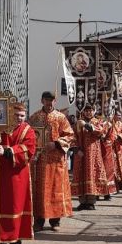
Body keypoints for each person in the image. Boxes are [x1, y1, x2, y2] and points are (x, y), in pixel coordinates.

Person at [0, 102, 36, 244]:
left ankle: (15, 241)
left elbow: (29, 149)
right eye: (16, 115)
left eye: (22, 115)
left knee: (16, 206)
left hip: (17, 175)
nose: (19, 118)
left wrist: (7, 151)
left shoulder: (28, 130)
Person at [28, 92, 74, 231]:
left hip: (55, 160)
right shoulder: (34, 117)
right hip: (39, 160)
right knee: (39, 190)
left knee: (55, 189)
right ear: (42, 100)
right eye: (46, 100)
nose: (49, 103)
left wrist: (56, 143)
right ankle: (39, 221)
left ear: (55, 101)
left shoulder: (61, 117)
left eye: (51, 100)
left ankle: (55, 221)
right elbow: (29, 135)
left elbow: (70, 135)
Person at [72, 104, 108, 210]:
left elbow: (100, 131)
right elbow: (72, 136)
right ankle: (82, 201)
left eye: (90, 110)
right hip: (81, 154)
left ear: (94, 111)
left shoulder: (98, 121)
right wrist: (76, 149)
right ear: (83, 112)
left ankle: (91, 201)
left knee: (92, 175)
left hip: (93, 154)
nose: (88, 112)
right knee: (80, 175)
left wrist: (87, 125)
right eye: (86, 110)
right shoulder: (77, 123)